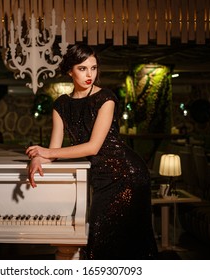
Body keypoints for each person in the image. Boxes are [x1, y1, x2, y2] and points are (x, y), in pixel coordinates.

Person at [26, 44, 158, 259]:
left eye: (93, 68)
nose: (90, 74)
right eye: (82, 68)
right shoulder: (61, 105)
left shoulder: (106, 98)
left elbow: (93, 147)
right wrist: (37, 159)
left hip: (128, 174)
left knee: (126, 242)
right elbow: (55, 150)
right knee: (100, 240)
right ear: (70, 70)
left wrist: (46, 153)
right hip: (102, 178)